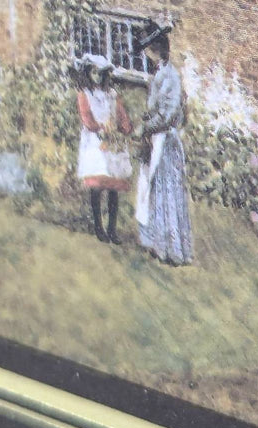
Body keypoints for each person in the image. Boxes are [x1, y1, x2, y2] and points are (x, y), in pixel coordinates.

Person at [134, 23, 193, 265]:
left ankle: (172, 250)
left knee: (165, 192)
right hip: (157, 138)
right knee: (152, 190)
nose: (146, 54)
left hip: (165, 141)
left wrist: (146, 127)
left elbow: (168, 114)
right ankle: (157, 244)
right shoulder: (161, 73)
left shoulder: (169, 76)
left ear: (156, 49)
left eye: (148, 49)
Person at [75, 54, 132, 244]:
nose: (97, 76)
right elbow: (87, 118)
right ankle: (99, 227)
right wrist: (100, 128)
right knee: (97, 185)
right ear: (88, 73)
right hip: (95, 142)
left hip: (112, 141)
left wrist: (124, 128)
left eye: (101, 73)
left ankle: (112, 229)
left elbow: (121, 115)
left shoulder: (112, 94)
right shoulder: (85, 94)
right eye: (93, 72)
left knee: (113, 187)